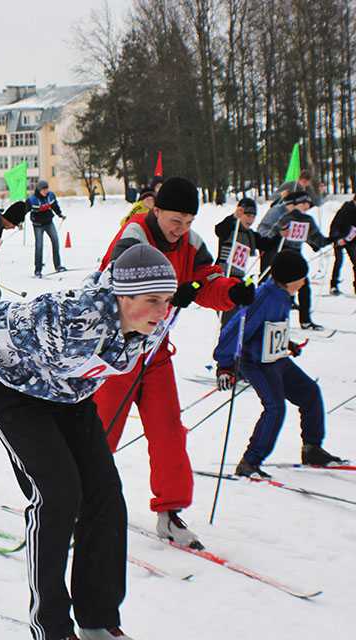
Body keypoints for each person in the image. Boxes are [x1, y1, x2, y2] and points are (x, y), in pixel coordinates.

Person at [0, 243, 180, 640]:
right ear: (122, 296)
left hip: (70, 397)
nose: (163, 311)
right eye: (153, 301)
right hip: (12, 390)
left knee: (105, 495)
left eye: (168, 301)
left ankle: (98, 618)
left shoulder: (147, 326)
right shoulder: (69, 316)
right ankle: (51, 626)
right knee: (58, 495)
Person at [95, 176, 254, 550]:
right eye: (174, 221)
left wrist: (232, 291)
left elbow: (207, 281)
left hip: (156, 355)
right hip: (119, 351)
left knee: (168, 431)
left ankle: (170, 512)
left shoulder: (191, 244)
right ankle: (78, 501)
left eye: (187, 222)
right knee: (101, 431)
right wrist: (167, 291)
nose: (179, 230)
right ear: (158, 210)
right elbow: (114, 283)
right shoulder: (134, 235)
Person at [214, 251, 343, 477]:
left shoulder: (281, 294)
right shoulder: (262, 298)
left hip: (275, 358)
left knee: (310, 392)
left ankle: (311, 448)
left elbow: (269, 328)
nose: (304, 282)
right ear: (290, 279)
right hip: (255, 362)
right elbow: (234, 330)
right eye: (301, 278)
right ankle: (249, 462)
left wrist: (286, 343)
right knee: (275, 407)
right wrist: (224, 365)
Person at [260, 191, 344, 330]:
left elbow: (316, 241)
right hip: (284, 256)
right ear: (301, 203)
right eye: (306, 204)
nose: (307, 207)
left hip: (290, 256)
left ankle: (298, 320)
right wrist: (332, 240)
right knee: (293, 288)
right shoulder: (293, 219)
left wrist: (333, 240)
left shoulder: (295, 219)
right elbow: (318, 241)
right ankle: (291, 320)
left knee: (296, 287)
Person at [213, 197, 281, 326]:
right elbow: (219, 230)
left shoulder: (250, 234)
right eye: (247, 215)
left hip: (239, 280)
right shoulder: (230, 229)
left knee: (239, 319)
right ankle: (227, 342)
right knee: (229, 321)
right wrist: (233, 217)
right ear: (240, 213)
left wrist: (280, 234)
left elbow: (267, 245)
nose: (250, 219)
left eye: (253, 216)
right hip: (223, 278)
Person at [27, 179, 67, 278]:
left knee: (55, 241)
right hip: (38, 225)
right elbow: (24, 210)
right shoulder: (32, 199)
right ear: (39, 190)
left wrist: (60, 214)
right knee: (39, 246)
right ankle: (38, 270)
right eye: (43, 190)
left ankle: (58, 266)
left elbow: (54, 206)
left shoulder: (50, 196)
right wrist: (19, 222)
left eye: (46, 189)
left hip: (49, 222)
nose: (45, 192)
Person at [328, 193, 356, 296]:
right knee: (339, 261)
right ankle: (333, 286)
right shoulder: (346, 209)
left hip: (351, 239)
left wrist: (348, 239)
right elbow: (335, 225)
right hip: (339, 238)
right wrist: (337, 239)